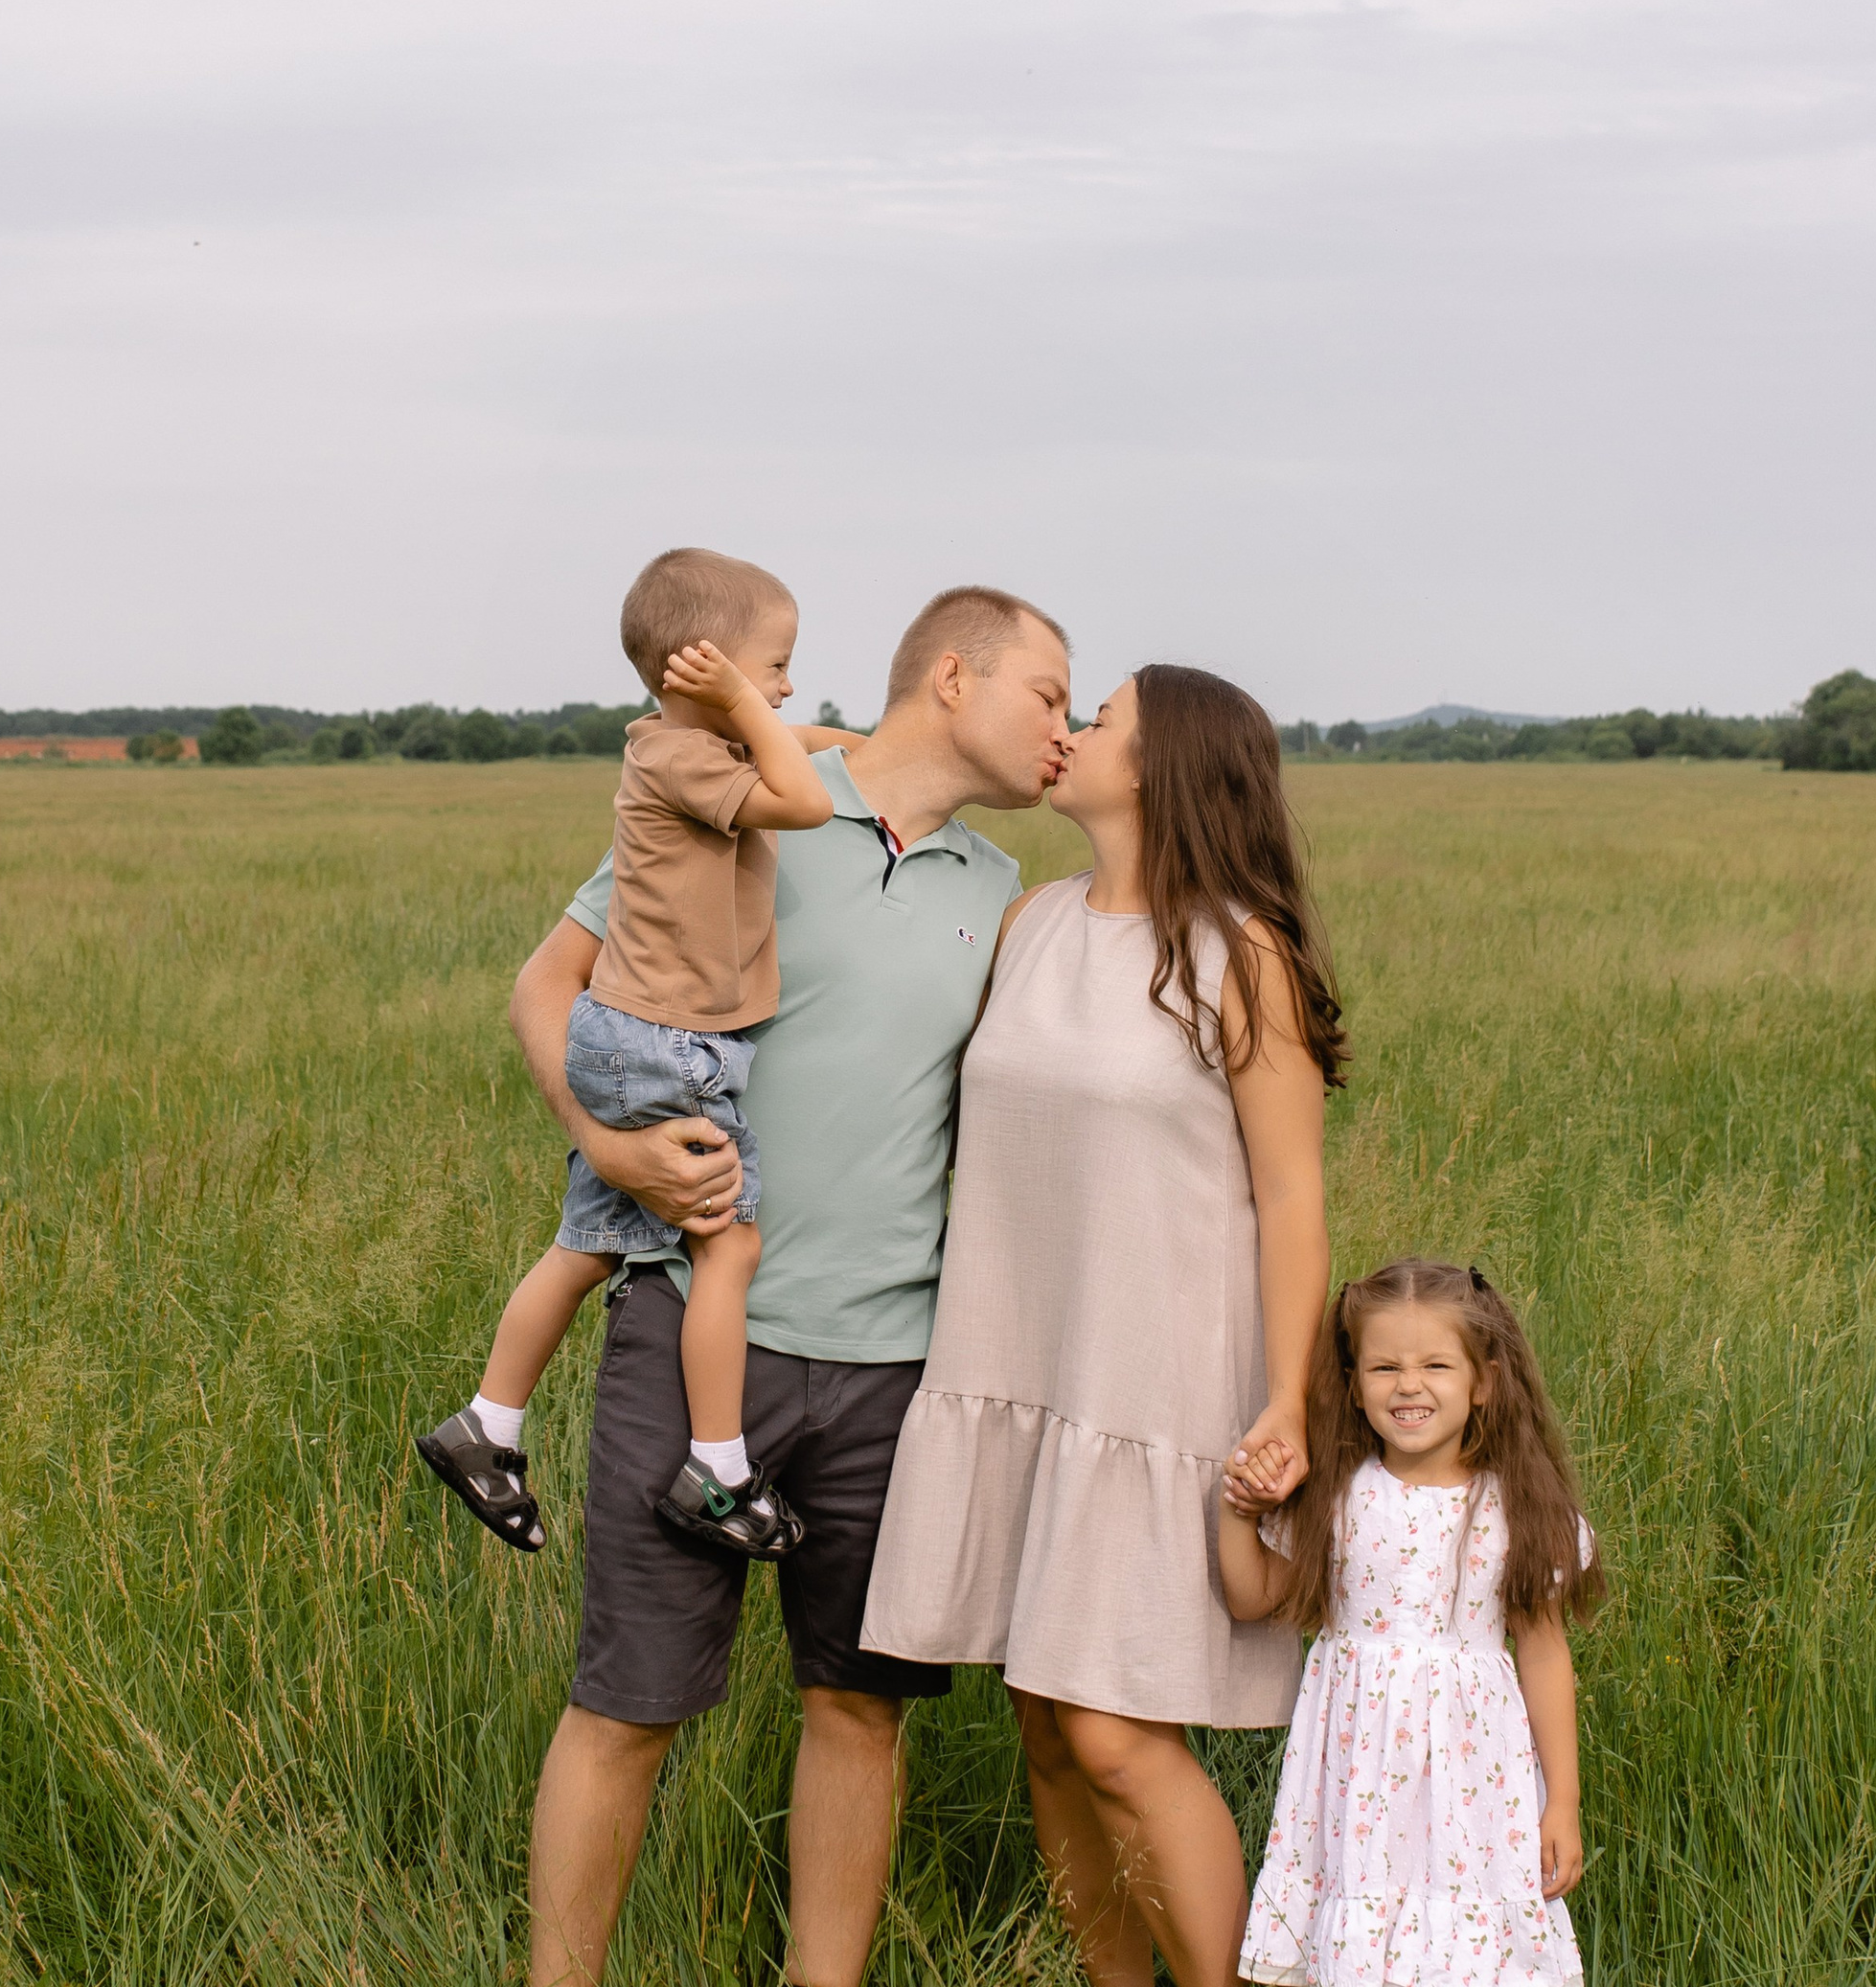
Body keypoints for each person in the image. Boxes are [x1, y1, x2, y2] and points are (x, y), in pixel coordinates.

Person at [511, 584, 1074, 1987]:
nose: (1064, 725)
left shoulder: (1001, 893)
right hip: (698, 1333)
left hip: (894, 1366)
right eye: (1049, 695)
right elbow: (548, 982)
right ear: (954, 677)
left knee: (861, 1710)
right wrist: (609, 1147)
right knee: (627, 1706)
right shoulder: (754, 795)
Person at [860, 663, 1340, 1987]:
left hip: (1160, 1378)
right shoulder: (1033, 924)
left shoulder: (1242, 954)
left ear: (1164, 766)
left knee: (1118, 1732)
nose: (1069, 735)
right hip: (1017, 1358)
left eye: (1104, 717)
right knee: (1043, 1723)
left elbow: (1293, 1196)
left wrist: (1293, 1402)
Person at [417, 548, 838, 1557]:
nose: (782, 687)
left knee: (586, 1244)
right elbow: (806, 798)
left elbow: (799, 748)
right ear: (701, 670)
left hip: (628, 1035)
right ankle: (719, 1468)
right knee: (728, 1244)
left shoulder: (684, 747)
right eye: (771, 664)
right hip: (671, 1047)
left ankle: (489, 1423)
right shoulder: (685, 759)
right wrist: (749, 705)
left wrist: (854, 741)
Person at [1220, 1259, 1605, 1987]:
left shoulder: (1515, 1511)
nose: (1408, 1385)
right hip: (1358, 1775)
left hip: (1474, 1780)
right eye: (1384, 1366)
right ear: (1354, 1381)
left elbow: (1546, 1655)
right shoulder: (1337, 1497)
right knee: (1364, 1944)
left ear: (1483, 1381)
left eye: (1436, 1364)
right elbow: (1251, 1597)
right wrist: (1238, 1511)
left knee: (1470, 1952)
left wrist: (1564, 1801)